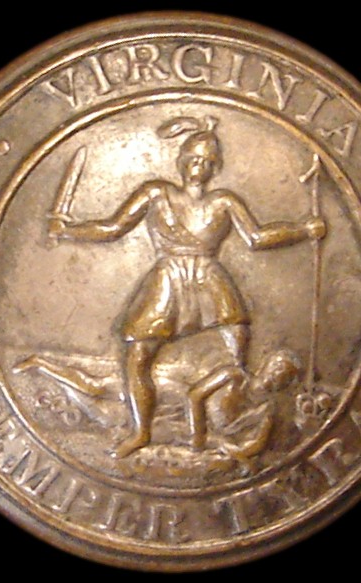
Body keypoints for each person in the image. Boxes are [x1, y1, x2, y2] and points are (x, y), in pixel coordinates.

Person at [49, 116, 326, 457]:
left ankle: (226, 424)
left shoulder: (224, 201)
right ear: (181, 161)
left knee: (238, 354)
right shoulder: (156, 193)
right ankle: (141, 432)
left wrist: (304, 230)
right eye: (194, 159)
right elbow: (113, 228)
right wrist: (69, 230)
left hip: (210, 279)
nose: (199, 167)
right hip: (167, 279)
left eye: (208, 162)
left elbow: (257, 237)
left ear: (215, 167)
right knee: (137, 355)